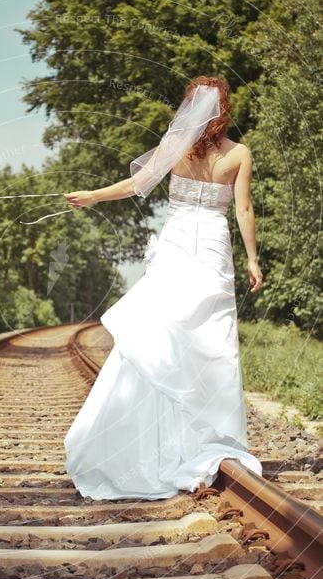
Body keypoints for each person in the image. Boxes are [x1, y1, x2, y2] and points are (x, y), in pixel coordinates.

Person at [63, 75, 264, 500]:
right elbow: (243, 209)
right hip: (211, 246)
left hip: (176, 245)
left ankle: (150, 440)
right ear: (223, 109)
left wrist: (94, 196)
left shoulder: (175, 149)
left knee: (163, 333)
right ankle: (206, 435)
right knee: (211, 336)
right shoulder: (239, 154)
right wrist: (252, 258)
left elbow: (136, 185)